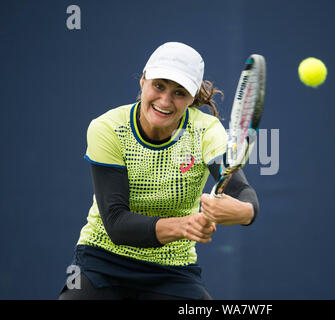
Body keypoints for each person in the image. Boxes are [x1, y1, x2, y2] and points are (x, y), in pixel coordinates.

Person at [59, 42, 259, 300]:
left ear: (192, 97)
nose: (165, 101)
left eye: (179, 92)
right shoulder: (108, 128)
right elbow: (117, 224)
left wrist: (244, 212)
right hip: (101, 263)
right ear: (143, 81)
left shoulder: (207, 131)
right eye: (159, 85)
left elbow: (241, 190)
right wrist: (185, 226)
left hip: (172, 271)